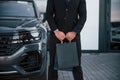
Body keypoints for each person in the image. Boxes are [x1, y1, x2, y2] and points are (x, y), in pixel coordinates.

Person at [45, 0, 87, 80]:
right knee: (53, 65)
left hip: (73, 36)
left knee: (77, 65)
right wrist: (56, 31)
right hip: (56, 36)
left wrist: (74, 32)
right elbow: (48, 15)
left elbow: (83, 16)